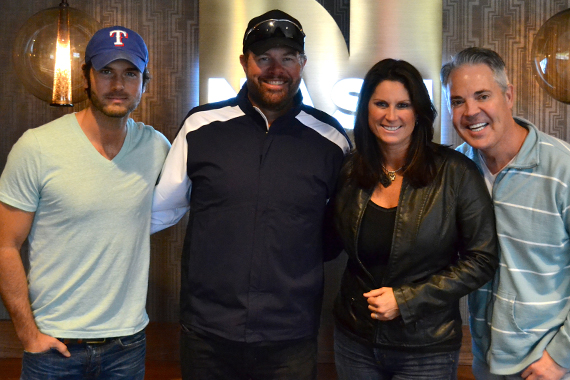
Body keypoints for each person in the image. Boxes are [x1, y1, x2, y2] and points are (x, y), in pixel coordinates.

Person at [151, 9, 350, 380]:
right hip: (208, 332)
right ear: (244, 62)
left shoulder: (331, 140)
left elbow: (339, 231)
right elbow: (159, 210)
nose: (276, 69)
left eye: (287, 58)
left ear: (302, 63)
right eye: (263, 58)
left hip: (290, 337)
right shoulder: (200, 127)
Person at [0, 26, 170, 379]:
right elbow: (5, 245)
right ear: (87, 78)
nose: (118, 84)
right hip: (54, 345)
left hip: (127, 344)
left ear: (144, 83)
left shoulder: (157, 148)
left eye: (130, 73)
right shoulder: (37, 147)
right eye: (106, 71)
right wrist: (27, 334)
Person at [331, 58, 498, 380]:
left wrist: (405, 300)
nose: (391, 116)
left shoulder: (456, 173)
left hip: (426, 349)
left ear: (419, 112)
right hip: (354, 339)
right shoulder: (350, 169)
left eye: (403, 105)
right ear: (366, 110)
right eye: (381, 104)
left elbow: (482, 259)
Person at [441, 47, 570, 380]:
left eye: (483, 95)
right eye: (457, 101)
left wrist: (560, 358)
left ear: (508, 95)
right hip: (485, 361)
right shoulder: (456, 170)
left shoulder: (563, 168)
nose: (471, 111)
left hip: (549, 365)